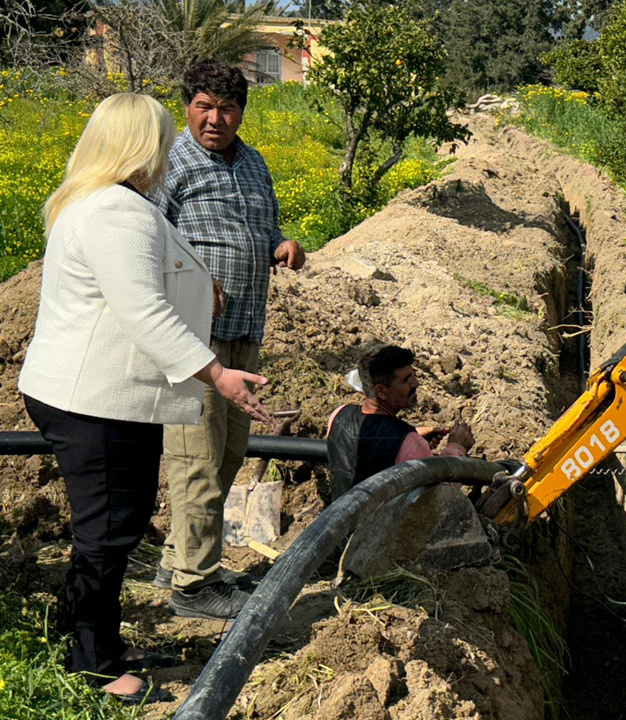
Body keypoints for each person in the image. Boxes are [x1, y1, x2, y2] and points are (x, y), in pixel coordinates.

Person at [18, 93, 272, 704]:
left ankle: (84, 636)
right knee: (108, 531)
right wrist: (217, 374)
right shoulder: (114, 212)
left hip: (96, 396)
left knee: (113, 527)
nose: (166, 153)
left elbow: (146, 281)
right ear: (140, 145)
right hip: (93, 401)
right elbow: (143, 311)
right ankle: (96, 665)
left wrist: (194, 280)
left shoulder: (100, 202)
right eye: (160, 140)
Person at [154, 59, 306, 620]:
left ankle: (179, 556)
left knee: (229, 452)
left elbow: (260, 229)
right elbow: (147, 240)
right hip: (193, 340)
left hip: (244, 331)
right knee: (195, 456)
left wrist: (281, 244)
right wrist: (192, 277)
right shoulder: (168, 164)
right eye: (204, 106)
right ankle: (194, 587)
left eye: (227, 107)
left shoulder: (253, 164)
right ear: (187, 106)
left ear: (241, 112)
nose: (215, 118)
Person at [326, 344, 474, 499]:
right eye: (406, 380)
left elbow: (368, 445)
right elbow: (440, 495)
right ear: (381, 391)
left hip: (340, 520)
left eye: (413, 375)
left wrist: (414, 438)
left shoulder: (338, 415)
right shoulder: (408, 443)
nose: (415, 383)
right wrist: (456, 447)